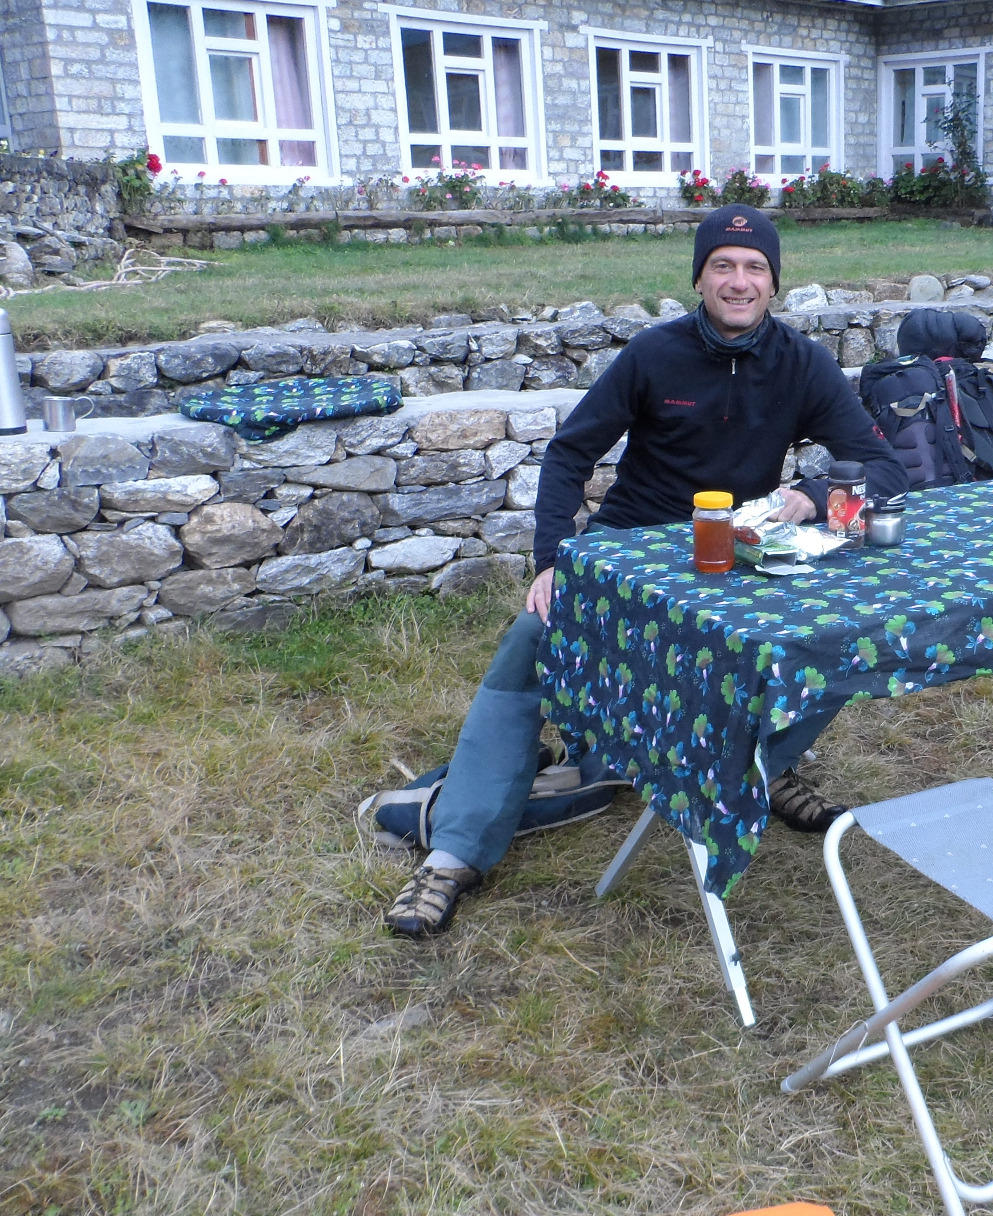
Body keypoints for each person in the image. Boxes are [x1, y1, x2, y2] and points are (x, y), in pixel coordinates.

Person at [385, 206, 909, 937]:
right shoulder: (653, 354)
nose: (738, 281)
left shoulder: (804, 364)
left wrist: (813, 495)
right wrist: (554, 559)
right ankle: (454, 854)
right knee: (531, 644)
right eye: (722, 265)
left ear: (774, 283)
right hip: (631, 541)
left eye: (754, 267)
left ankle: (761, 766)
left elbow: (883, 464)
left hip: (741, 549)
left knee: (835, 638)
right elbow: (570, 454)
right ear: (699, 277)